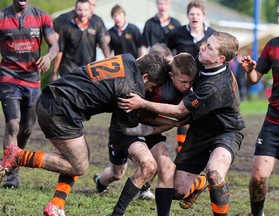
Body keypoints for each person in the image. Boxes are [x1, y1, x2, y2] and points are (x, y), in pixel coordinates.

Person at [0, 53, 171, 216]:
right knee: (79, 165)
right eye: (152, 87)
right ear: (145, 77)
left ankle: (56, 205)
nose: (149, 91)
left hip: (57, 100)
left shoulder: (127, 58)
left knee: (80, 155)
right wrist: (167, 124)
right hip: (59, 109)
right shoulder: (131, 89)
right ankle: (18, 156)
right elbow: (127, 130)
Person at [118, 31, 245, 216]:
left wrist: (141, 102)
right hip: (199, 130)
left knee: (214, 172)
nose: (202, 47)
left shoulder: (215, 86)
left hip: (225, 132)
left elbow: (179, 111)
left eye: (209, 47)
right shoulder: (201, 61)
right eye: (205, 43)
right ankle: (198, 183)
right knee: (177, 191)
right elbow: (176, 63)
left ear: (221, 58)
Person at [95, 50, 197, 216]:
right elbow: (141, 114)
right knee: (116, 173)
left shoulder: (188, 91)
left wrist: (172, 122)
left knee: (167, 168)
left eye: (190, 82)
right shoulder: (156, 78)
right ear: (171, 75)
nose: (188, 86)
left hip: (151, 131)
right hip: (128, 128)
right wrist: (171, 122)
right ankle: (101, 182)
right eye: (183, 81)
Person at [0, 0, 59, 189]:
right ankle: (12, 173)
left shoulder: (41, 16)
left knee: (26, 129)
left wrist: (49, 57)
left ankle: (16, 160)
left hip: (32, 80)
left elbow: (54, 46)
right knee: (12, 124)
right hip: (8, 78)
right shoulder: (2, 17)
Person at [241, 1, 279, 215]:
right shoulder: (272, 45)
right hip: (275, 122)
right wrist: (249, 71)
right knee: (258, 177)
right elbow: (253, 79)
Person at [164, 0, 216, 153]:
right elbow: (165, 50)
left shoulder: (212, 35)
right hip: (184, 84)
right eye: (192, 14)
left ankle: (204, 150)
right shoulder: (177, 33)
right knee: (185, 115)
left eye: (198, 14)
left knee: (205, 117)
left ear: (203, 16)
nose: (195, 17)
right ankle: (182, 151)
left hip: (205, 81)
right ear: (187, 15)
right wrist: (171, 62)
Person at [51, 0, 110, 79]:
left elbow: (103, 45)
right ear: (75, 10)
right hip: (68, 70)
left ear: (90, 11)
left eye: (86, 10)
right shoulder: (66, 27)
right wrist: (54, 72)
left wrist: (110, 62)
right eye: (80, 10)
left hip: (88, 70)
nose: (83, 13)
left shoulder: (96, 25)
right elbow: (60, 51)